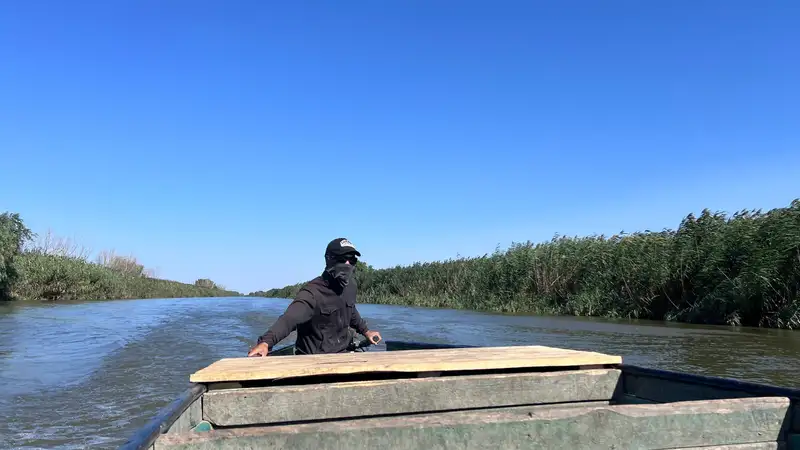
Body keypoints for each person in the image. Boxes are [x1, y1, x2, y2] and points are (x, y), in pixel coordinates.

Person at [248, 238, 382, 356]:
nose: (348, 264)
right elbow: (289, 319)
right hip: (315, 359)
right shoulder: (312, 293)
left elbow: (350, 310)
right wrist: (266, 342)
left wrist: (366, 331)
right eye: (342, 259)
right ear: (329, 259)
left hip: (343, 353)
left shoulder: (350, 286)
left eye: (352, 260)